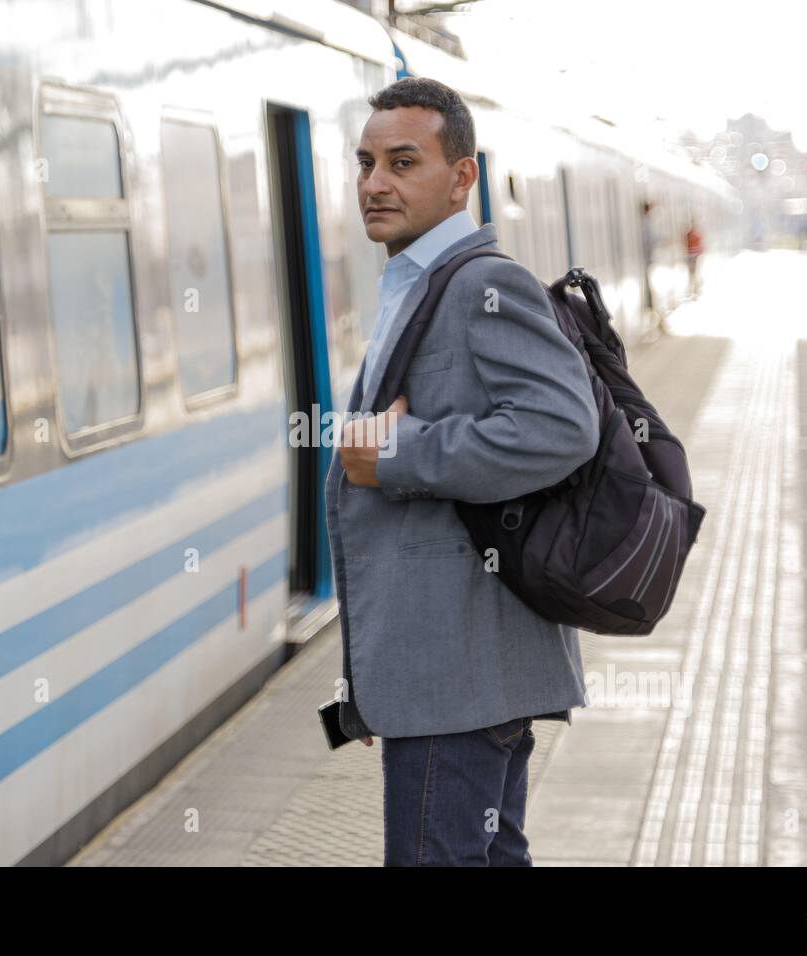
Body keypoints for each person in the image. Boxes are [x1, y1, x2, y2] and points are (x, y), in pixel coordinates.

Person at [324, 76, 600, 866]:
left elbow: (560, 427)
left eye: (403, 162)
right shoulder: (418, 281)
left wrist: (397, 456)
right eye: (366, 162)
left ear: (462, 176)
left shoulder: (483, 284)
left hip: (458, 673)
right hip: (454, 670)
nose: (375, 183)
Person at [684, 219, 703, 297]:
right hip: (691, 255)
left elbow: (700, 246)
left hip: (694, 256)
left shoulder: (695, 235)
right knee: (692, 272)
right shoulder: (688, 234)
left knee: (694, 272)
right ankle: (693, 288)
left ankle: (695, 288)